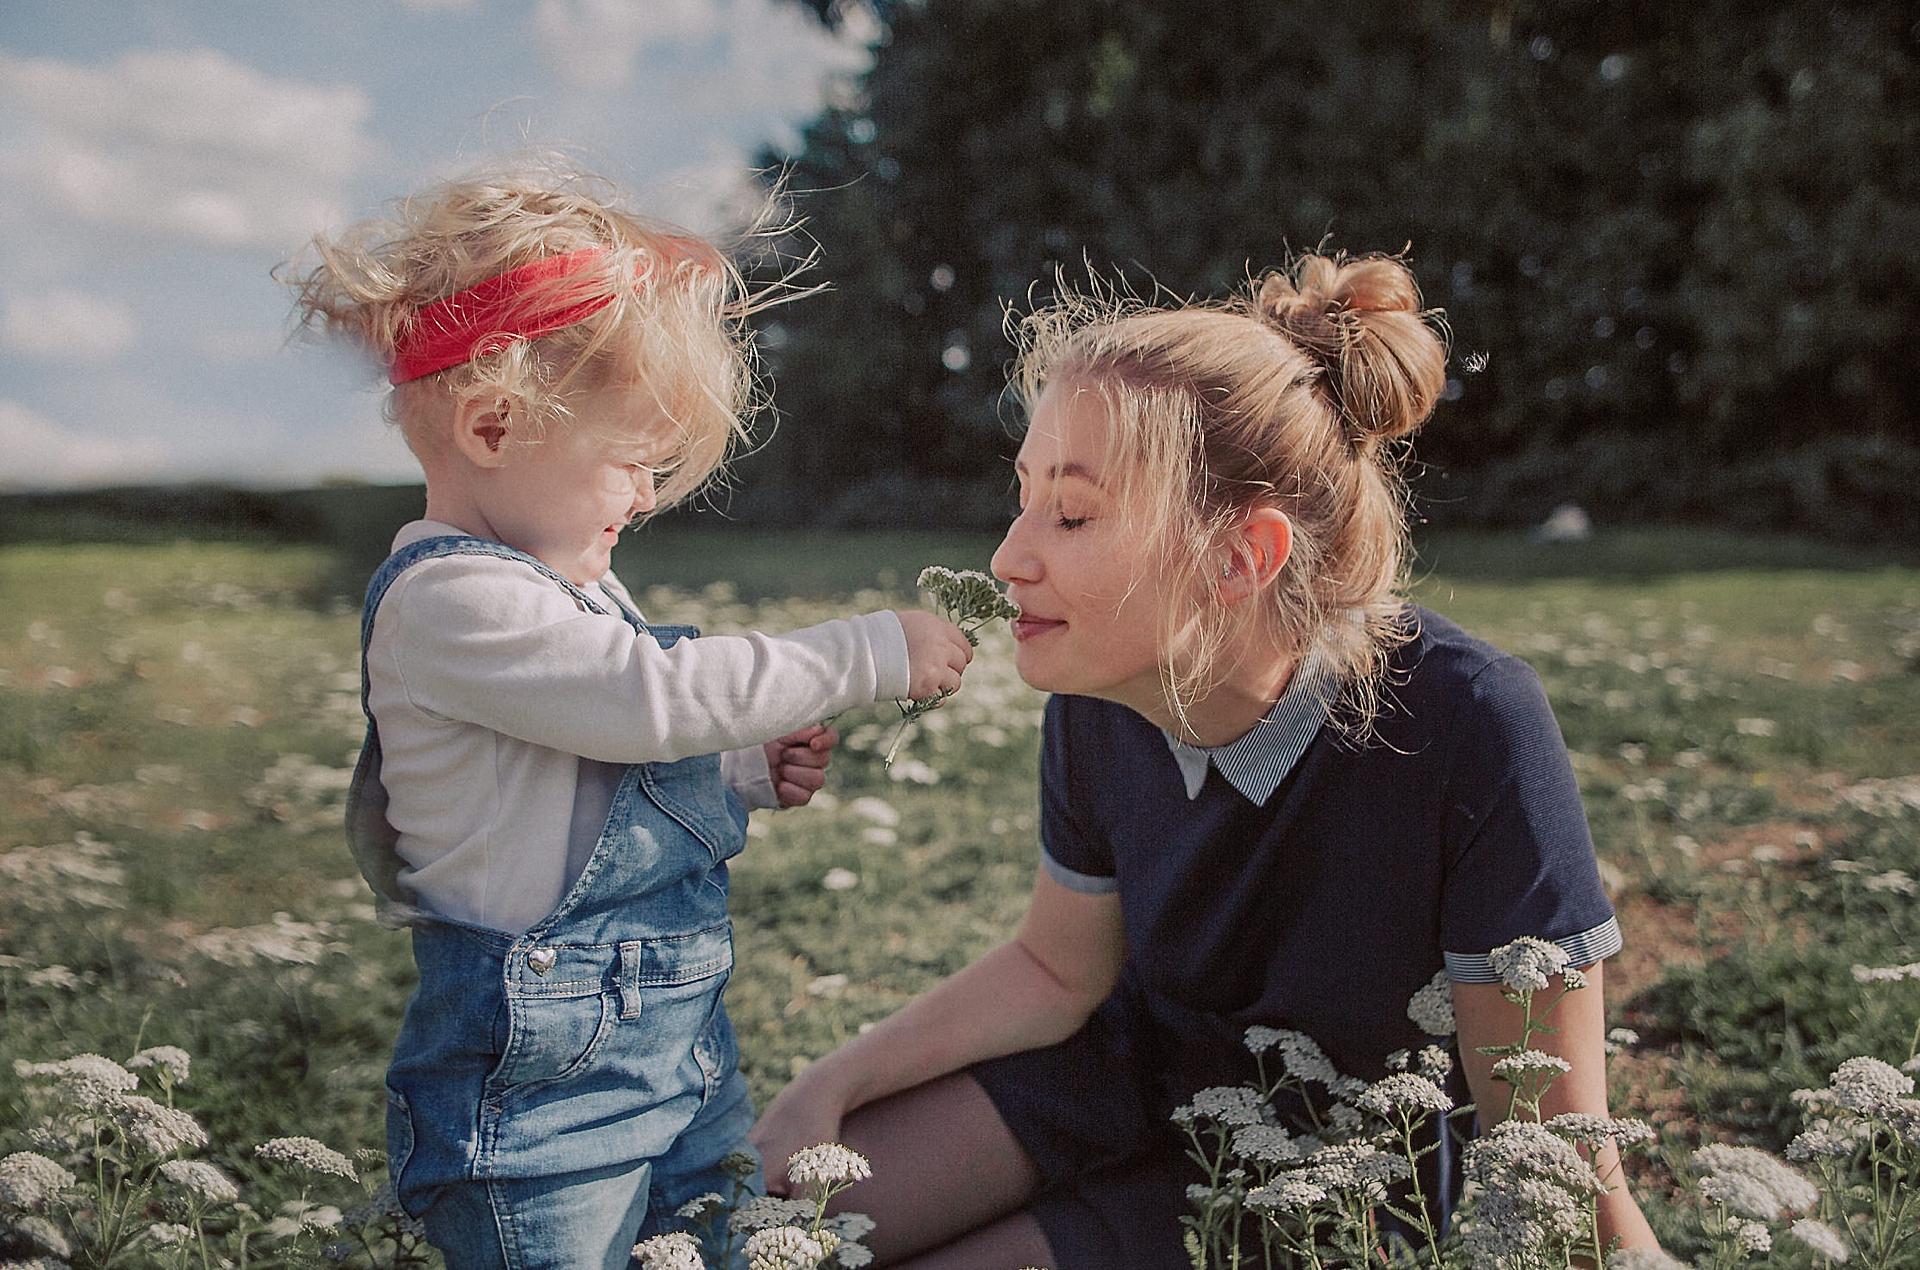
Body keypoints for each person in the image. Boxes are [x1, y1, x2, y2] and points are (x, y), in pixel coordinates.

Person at [750, 251, 1663, 1268]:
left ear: (1241, 558)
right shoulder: (1100, 696)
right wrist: (831, 1083)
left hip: (1317, 1187)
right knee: (764, 1230)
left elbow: (1550, 1155)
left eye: (1075, 513)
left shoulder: (1469, 723)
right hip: (1113, 1081)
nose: (1010, 555)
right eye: (1024, 497)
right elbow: (1056, 971)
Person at [286, 163, 974, 1270]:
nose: (648, 497)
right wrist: (868, 649)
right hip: (540, 1118)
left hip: (679, 1061)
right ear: (495, 425)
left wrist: (742, 768)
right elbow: (644, 704)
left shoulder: (568, 588)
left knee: (721, 1247)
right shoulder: (453, 601)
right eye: (633, 463)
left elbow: (589, 766)